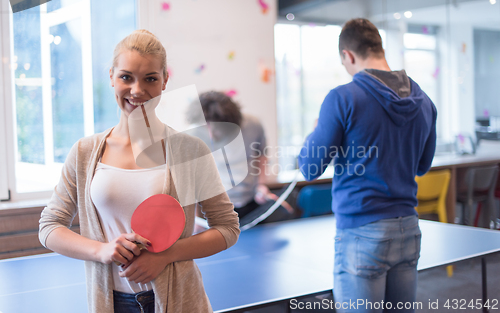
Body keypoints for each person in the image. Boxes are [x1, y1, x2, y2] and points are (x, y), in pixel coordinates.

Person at [38, 30, 240, 313]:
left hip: (179, 302)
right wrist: (102, 250)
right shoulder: (84, 152)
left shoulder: (190, 151)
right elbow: (49, 227)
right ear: (111, 76)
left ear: (165, 80)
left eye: (150, 79)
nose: (136, 90)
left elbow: (228, 228)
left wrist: (165, 256)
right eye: (126, 77)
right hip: (110, 302)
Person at [298, 18, 437, 312]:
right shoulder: (423, 100)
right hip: (408, 229)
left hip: (362, 233)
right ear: (378, 47)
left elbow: (310, 167)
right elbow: (422, 166)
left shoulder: (343, 97)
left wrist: (315, 131)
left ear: (348, 55)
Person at [187, 91, 292, 224]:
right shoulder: (194, 135)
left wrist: (261, 185)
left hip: (251, 201)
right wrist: (194, 219)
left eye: (216, 129)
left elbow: (262, 155)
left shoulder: (253, 125)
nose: (211, 135)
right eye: (205, 127)